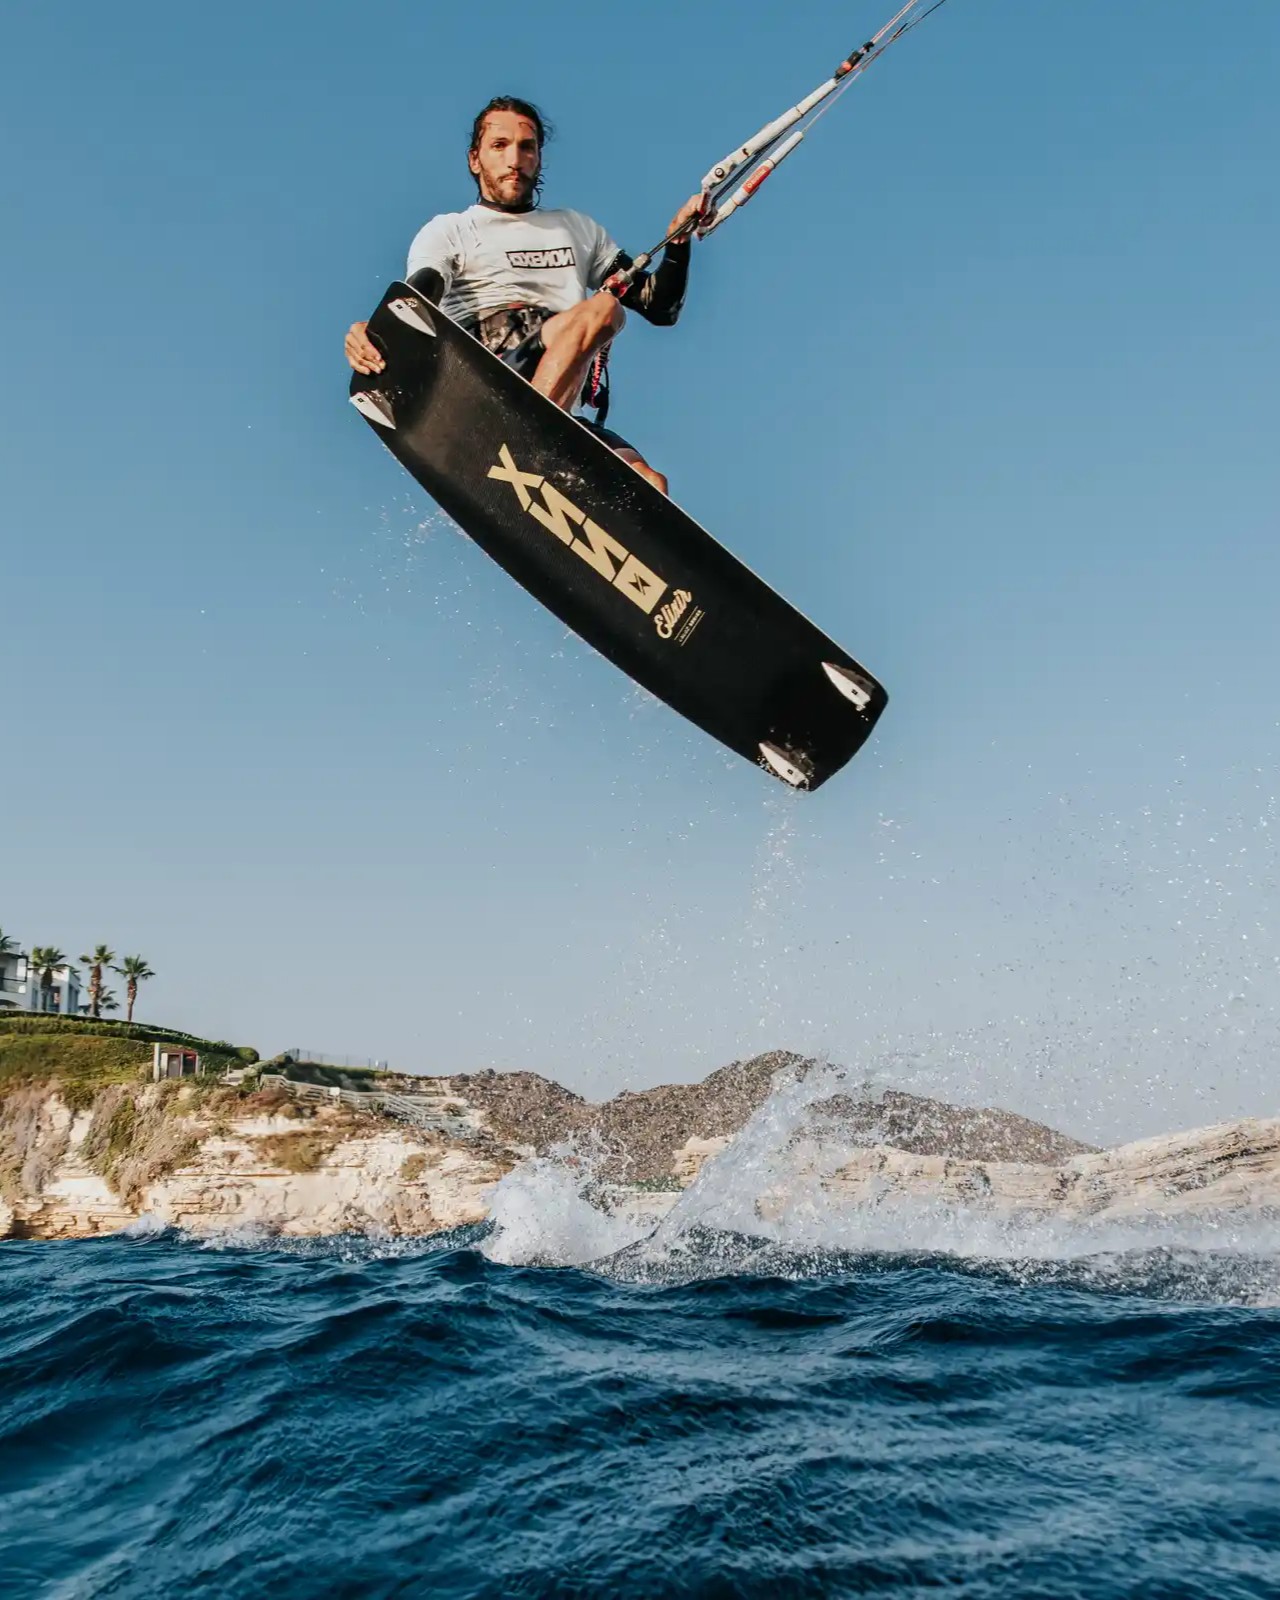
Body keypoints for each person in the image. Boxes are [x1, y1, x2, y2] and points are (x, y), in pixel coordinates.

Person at [344, 96, 700, 495]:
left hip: (555, 393)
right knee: (603, 310)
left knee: (648, 486)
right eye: (499, 146)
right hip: (483, 367)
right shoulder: (452, 229)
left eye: (526, 147)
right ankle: (529, 443)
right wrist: (376, 329)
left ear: (539, 158)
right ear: (475, 159)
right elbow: (421, 295)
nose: (514, 158)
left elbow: (659, 307)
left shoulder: (576, 228)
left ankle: (548, 464)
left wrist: (679, 242)